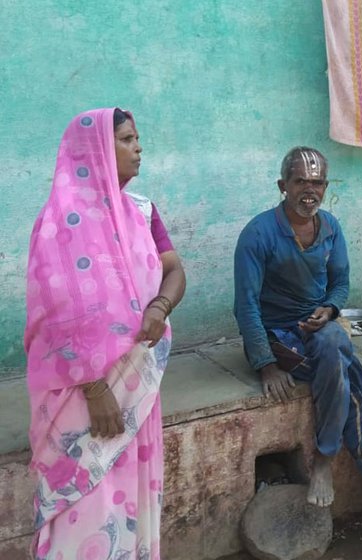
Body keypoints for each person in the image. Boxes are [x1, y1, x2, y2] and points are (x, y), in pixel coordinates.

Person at [25, 108, 186, 559]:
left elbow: (174, 270)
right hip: (82, 396)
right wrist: (95, 388)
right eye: (128, 139)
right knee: (87, 510)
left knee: (131, 497)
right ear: (95, 149)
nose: (139, 148)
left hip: (137, 381)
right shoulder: (59, 222)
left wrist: (160, 304)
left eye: (138, 139)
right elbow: (51, 317)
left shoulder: (142, 211)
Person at [233, 146, 362, 507]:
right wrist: (266, 365)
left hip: (316, 329)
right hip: (276, 337)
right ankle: (339, 460)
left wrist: (330, 307)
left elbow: (340, 283)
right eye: (300, 181)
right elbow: (245, 306)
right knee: (348, 374)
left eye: (317, 182)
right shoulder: (258, 234)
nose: (310, 190)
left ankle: (337, 460)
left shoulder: (331, 227)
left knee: (334, 343)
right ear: (282, 185)